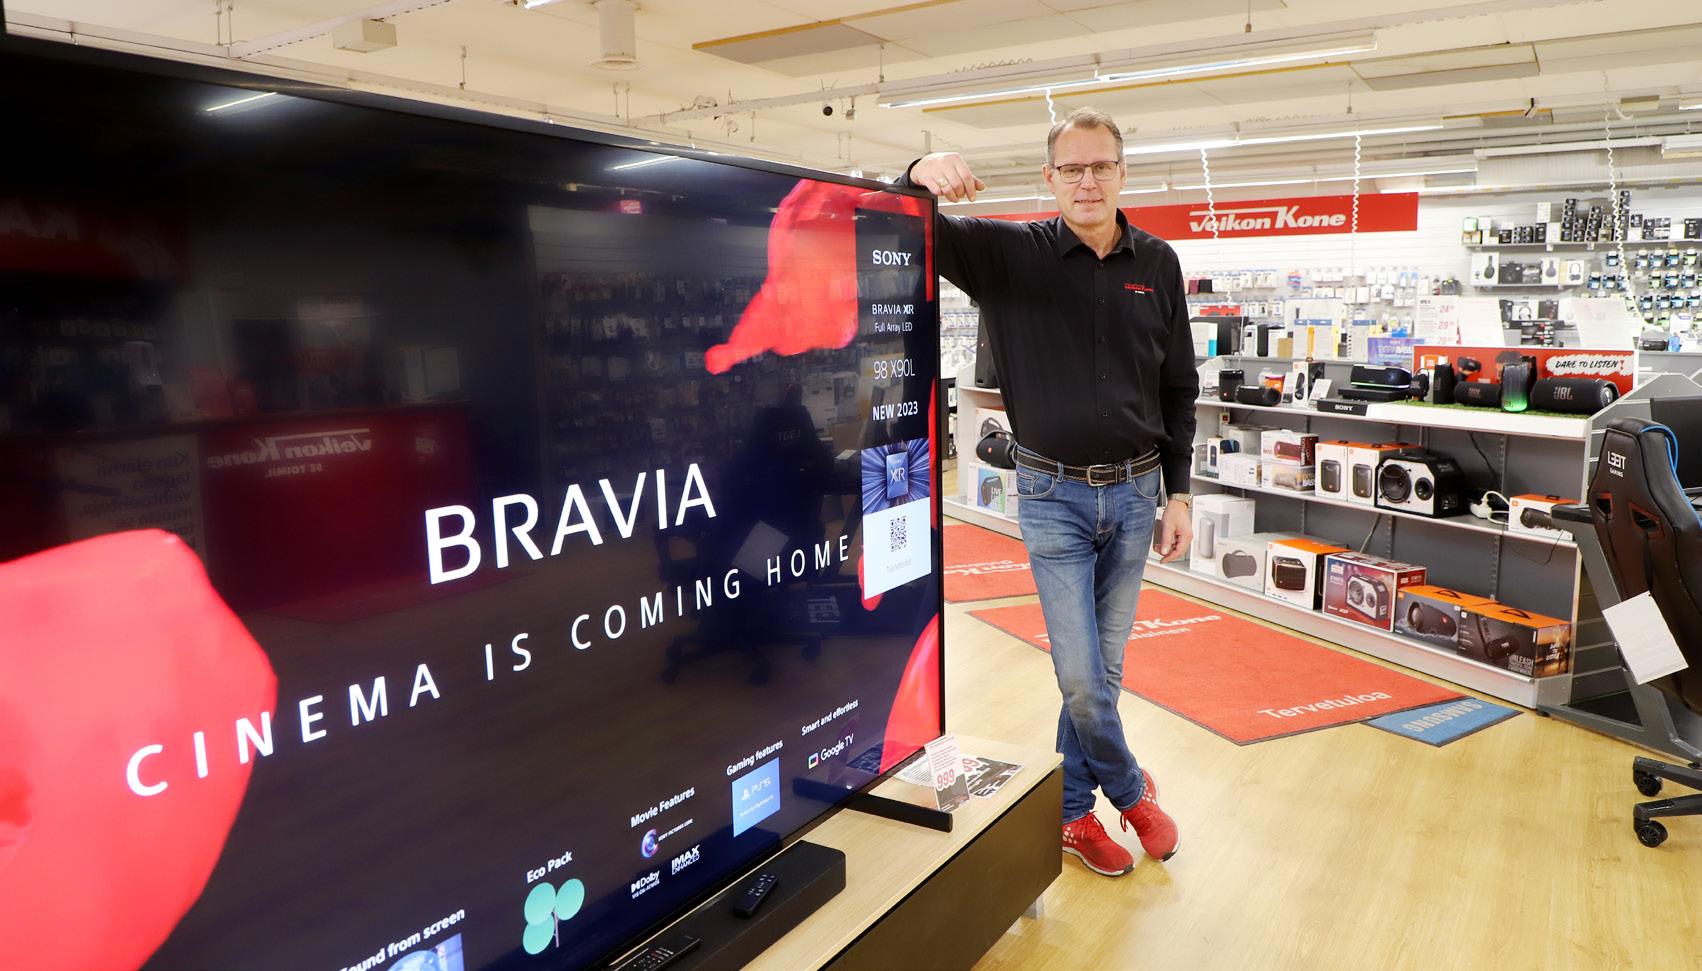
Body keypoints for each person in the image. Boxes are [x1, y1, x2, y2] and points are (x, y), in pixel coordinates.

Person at [902, 108, 1197, 876]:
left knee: (1104, 672)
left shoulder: (1159, 264)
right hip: (1051, 497)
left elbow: (1179, 388)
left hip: (1135, 495)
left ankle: (1069, 814)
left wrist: (1180, 493)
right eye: (1072, 168)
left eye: (1101, 166)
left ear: (1122, 173)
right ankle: (1132, 792)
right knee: (1081, 677)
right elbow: (912, 224)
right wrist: (917, 173)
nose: (1087, 181)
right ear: (1050, 178)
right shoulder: (1010, 254)